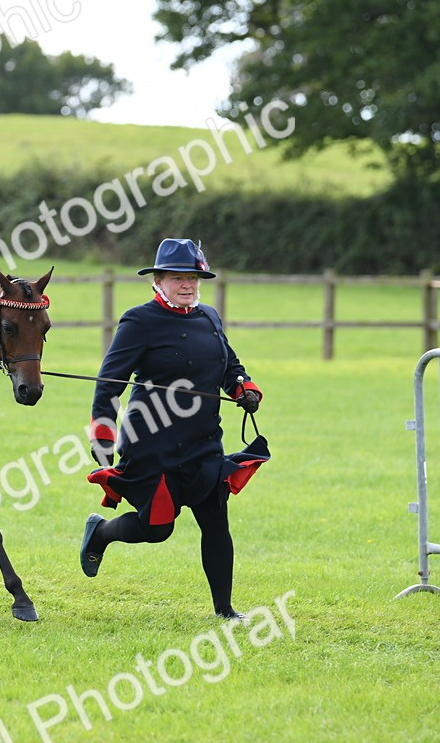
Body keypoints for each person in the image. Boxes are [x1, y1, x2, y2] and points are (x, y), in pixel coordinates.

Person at [79, 238, 269, 620]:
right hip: (153, 445)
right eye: (178, 277)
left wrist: (243, 389)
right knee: (156, 529)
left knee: (215, 522)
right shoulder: (139, 321)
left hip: (203, 443)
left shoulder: (209, 317)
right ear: (158, 280)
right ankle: (100, 533)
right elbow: (109, 383)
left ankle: (225, 610)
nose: (187, 285)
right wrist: (103, 433)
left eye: (193, 278)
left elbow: (229, 366)